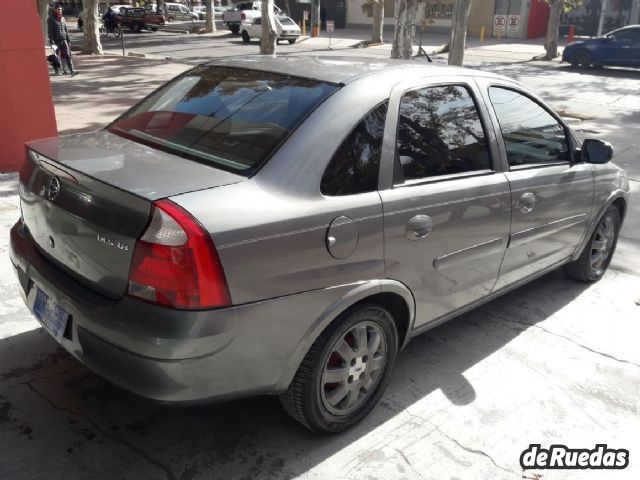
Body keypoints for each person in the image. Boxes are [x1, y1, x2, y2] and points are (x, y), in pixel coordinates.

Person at [47, 3, 78, 76]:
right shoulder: (51, 19)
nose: (60, 10)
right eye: (58, 9)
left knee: (68, 55)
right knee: (56, 57)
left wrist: (68, 40)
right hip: (56, 41)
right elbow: (50, 31)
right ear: (55, 10)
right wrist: (52, 41)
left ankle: (71, 70)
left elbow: (66, 30)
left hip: (64, 40)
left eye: (61, 9)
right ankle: (57, 70)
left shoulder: (63, 18)